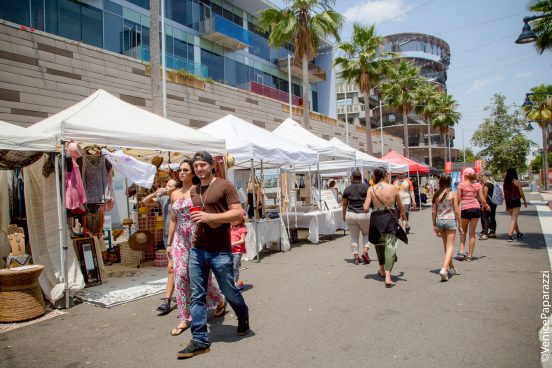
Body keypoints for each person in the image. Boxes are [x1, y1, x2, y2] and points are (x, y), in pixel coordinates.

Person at [177, 151, 249, 359]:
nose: (199, 169)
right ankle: (199, 340)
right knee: (196, 295)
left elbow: (238, 213)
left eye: (202, 165)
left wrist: (210, 217)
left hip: (220, 251)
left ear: (210, 165)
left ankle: (243, 315)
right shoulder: (194, 190)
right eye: (196, 166)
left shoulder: (225, 186)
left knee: (229, 291)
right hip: (197, 249)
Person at [167, 160, 226, 337]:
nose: (182, 172)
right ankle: (185, 317)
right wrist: (169, 243)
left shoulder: (200, 190)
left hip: (196, 238)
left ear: (193, 172)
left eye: (186, 170)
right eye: (180, 170)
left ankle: (218, 299)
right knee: (181, 276)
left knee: (200, 279)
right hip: (179, 239)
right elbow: (173, 219)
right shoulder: (174, 193)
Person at [142, 178, 180, 314]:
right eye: (166, 185)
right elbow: (144, 202)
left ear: (177, 188)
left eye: (169, 185)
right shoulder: (164, 199)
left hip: (181, 236)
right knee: (171, 267)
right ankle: (167, 300)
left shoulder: (181, 199)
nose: (166, 187)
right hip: (167, 237)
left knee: (181, 268)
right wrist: (155, 193)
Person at [363, 167, 406, 288]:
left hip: (376, 219)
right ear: (385, 175)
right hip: (390, 218)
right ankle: (387, 276)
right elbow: (401, 206)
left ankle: (381, 269)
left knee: (379, 245)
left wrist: (369, 203)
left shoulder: (371, 189)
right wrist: (403, 216)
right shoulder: (393, 188)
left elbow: (366, 208)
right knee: (390, 246)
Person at [431, 175, 462, 281]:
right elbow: (457, 211)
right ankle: (444, 269)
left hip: (440, 221)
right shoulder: (453, 194)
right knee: (450, 246)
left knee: (446, 245)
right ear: (450, 182)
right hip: (450, 220)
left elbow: (433, 211)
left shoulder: (436, 195)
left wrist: (434, 224)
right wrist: (460, 226)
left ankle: (451, 267)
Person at [456, 168, 490, 262]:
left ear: (465, 175)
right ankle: (470, 256)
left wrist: (454, 209)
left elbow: (458, 200)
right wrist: (486, 206)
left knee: (463, 231)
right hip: (475, 208)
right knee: (472, 233)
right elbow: (482, 199)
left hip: (465, 209)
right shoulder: (478, 185)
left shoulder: (461, 185)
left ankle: (462, 252)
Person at [342, 170, 371, 265]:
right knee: (366, 234)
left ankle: (355, 257)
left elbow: (344, 204)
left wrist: (344, 214)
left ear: (352, 178)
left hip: (351, 214)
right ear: (361, 177)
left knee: (354, 237)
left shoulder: (347, 189)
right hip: (364, 214)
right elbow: (370, 202)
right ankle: (365, 252)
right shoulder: (367, 188)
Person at [503, 168, 528, 242]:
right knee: (514, 218)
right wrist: (525, 201)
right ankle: (510, 235)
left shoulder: (505, 183)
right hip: (516, 201)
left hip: (508, 201)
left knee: (514, 218)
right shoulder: (516, 182)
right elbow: (521, 193)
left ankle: (518, 233)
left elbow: (505, 195)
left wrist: (506, 205)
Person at [231, 210, 247, 289]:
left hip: (238, 251)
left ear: (241, 219)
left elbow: (242, 240)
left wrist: (233, 243)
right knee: (228, 267)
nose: (233, 220)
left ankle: (234, 283)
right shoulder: (230, 228)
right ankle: (229, 283)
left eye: (235, 218)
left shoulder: (242, 229)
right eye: (232, 218)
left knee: (235, 267)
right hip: (230, 251)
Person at [480, 171, 497, 239]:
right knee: (492, 217)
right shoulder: (494, 183)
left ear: (485, 176)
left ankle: (485, 234)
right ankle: (493, 232)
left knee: (486, 218)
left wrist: (483, 204)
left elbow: (485, 195)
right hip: (494, 203)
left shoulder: (486, 184)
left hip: (488, 203)